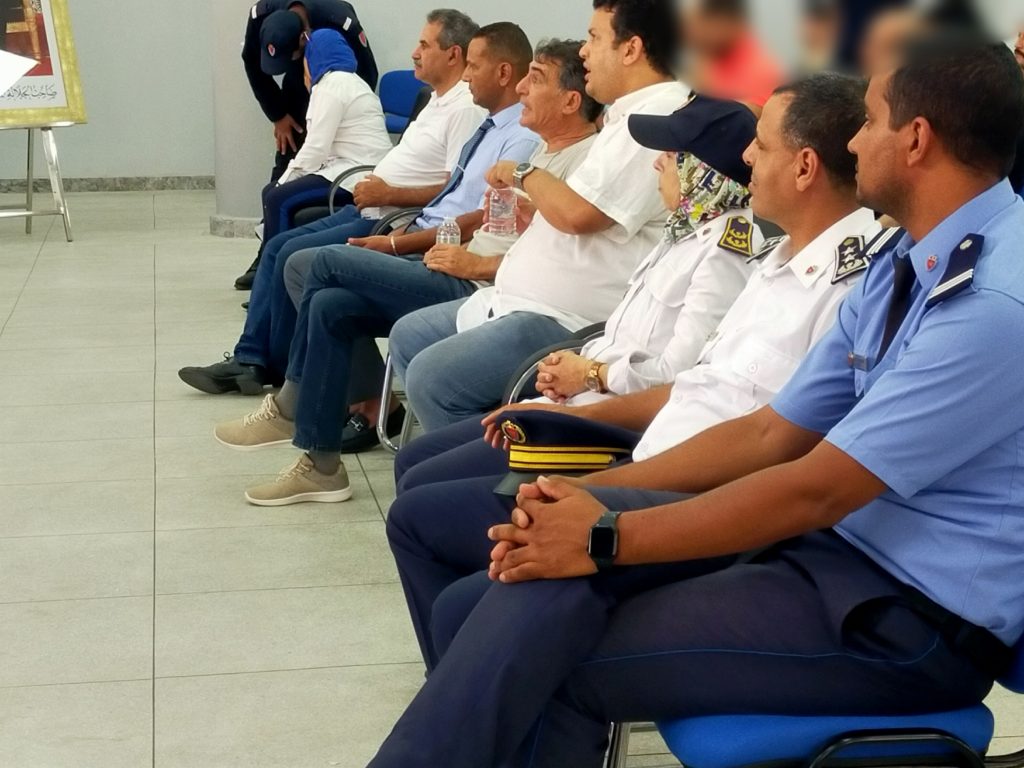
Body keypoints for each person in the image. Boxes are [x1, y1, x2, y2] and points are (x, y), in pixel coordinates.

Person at [365, 34, 1024, 768]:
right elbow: (770, 432)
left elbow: (818, 487)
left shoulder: (992, 303)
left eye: (869, 122)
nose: (854, 142)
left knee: (544, 651)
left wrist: (605, 533)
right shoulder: (907, 259)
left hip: (908, 617)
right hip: (830, 555)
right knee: (520, 595)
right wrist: (587, 498)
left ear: (917, 140)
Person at [386, 72, 881, 670]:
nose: (659, 166)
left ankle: (471, 676)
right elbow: (695, 383)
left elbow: (762, 435)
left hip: (683, 485)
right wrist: (579, 399)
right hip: (642, 447)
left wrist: (594, 418)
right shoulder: (766, 257)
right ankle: (471, 677)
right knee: (438, 527)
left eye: (673, 155)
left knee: (435, 547)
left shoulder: (788, 266)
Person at [210, 31, 585, 505]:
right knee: (329, 304)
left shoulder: (532, 148)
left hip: (469, 275)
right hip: (450, 252)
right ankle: (322, 465)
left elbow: (533, 244)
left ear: (569, 100)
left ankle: (294, 403)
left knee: (315, 262)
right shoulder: (536, 147)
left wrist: (409, 245)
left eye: (537, 79)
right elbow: (484, 210)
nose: (525, 88)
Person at [389, 0, 692, 433]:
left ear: (631, 49)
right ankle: (476, 446)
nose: (585, 51)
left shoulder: (655, 115)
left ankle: (484, 459)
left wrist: (523, 173)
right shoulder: (624, 116)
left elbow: (579, 215)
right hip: (516, 298)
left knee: (432, 377)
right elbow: (582, 211)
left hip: (565, 317)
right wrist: (538, 213)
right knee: (409, 334)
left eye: (594, 38)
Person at [179, 10, 484, 396]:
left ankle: (263, 363)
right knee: (277, 247)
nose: (414, 53)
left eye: (424, 45)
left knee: (291, 253)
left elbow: (453, 188)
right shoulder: (437, 101)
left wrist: (389, 194)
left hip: (392, 218)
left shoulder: (464, 109)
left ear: (453, 54)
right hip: (371, 205)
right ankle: (254, 358)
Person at [259, 30, 392, 250]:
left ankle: (271, 262)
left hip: (354, 174)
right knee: (271, 192)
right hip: (356, 168)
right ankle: (269, 258)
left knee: (276, 197)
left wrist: (284, 181)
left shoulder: (331, 87)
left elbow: (315, 149)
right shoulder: (353, 81)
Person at [243, 0, 378, 186]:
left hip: (334, 91)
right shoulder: (262, 14)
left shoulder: (339, 19)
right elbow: (252, 62)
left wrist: (338, 122)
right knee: (286, 168)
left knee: (326, 161)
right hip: (296, 89)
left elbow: (367, 75)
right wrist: (277, 114)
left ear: (304, 38)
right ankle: (278, 192)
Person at [684, 0, 784, 108]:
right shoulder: (713, 56)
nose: (694, 34)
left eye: (701, 25)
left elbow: (736, 116)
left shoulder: (760, 70)